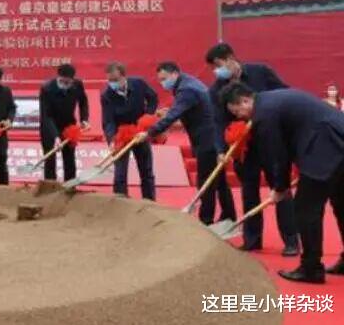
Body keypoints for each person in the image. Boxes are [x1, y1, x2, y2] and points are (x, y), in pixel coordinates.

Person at [220, 83, 344, 283]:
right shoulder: (271, 100)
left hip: (323, 147)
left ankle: (311, 268)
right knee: (341, 204)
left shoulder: (264, 114)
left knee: (306, 208)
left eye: (237, 112)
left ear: (245, 101)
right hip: (336, 139)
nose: (240, 117)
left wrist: (280, 188)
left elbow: (277, 155)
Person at [205, 42, 299, 255]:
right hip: (243, 147)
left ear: (230, 58)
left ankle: (291, 241)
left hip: (272, 141)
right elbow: (218, 122)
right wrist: (221, 149)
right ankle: (252, 239)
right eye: (214, 68)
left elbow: (283, 94)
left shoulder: (260, 72)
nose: (217, 71)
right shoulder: (216, 90)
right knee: (249, 192)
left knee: (281, 189)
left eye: (218, 65)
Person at [135, 62, 236, 225]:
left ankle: (206, 220)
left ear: (175, 73)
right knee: (219, 180)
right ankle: (229, 215)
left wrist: (149, 132)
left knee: (206, 181)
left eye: (164, 79)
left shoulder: (187, 89)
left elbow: (174, 115)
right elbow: (184, 113)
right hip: (211, 135)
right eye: (160, 80)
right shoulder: (187, 83)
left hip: (207, 139)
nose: (162, 83)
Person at [100, 62, 158, 200]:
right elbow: (108, 121)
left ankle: (149, 201)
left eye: (115, 80)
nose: (112, 83)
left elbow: (153, 98)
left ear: (123, 76)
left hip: (140, 131)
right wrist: (112, 139)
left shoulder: (138, 83)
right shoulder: (106, 95)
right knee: (120, 172)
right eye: (109, 80)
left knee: (146, 170)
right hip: (121, 134)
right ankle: (120, 201)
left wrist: (148, 116)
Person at [39, 64, 90, 181]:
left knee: (69, 157)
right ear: (58, 77)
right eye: (62, 81)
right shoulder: (47, 88)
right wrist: (56, 136)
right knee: (50, 158)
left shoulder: (77, 85)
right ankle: (50, 185)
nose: (65, 84)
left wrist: (84, 119)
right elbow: (46, 115)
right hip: (49, 127)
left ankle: (70, 186)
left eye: (68, 82)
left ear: (72, 80)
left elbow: (83, 102)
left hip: (69, 126)